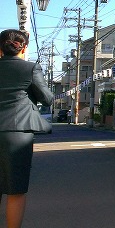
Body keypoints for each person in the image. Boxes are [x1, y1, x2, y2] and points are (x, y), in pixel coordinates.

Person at [0, 29, 54, 228]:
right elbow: (47, 98)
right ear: (23, 49)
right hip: (17, 132)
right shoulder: (30, 68)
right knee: (15, 190)